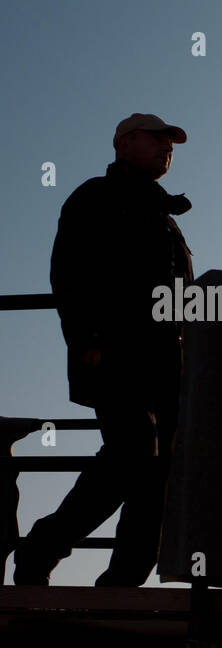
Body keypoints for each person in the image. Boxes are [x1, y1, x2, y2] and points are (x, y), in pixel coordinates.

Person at [14, 113, 193, 587]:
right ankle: (44, 546)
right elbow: (68, 272)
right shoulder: (95, 196)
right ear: (125, 142)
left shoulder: (164, 215)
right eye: (157, 139)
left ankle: (125, 578)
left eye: (169, 143)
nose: (166, 148)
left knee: (160, 466)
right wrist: (87, 339)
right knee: (134, 450)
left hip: (166, 360)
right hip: (116, 350)